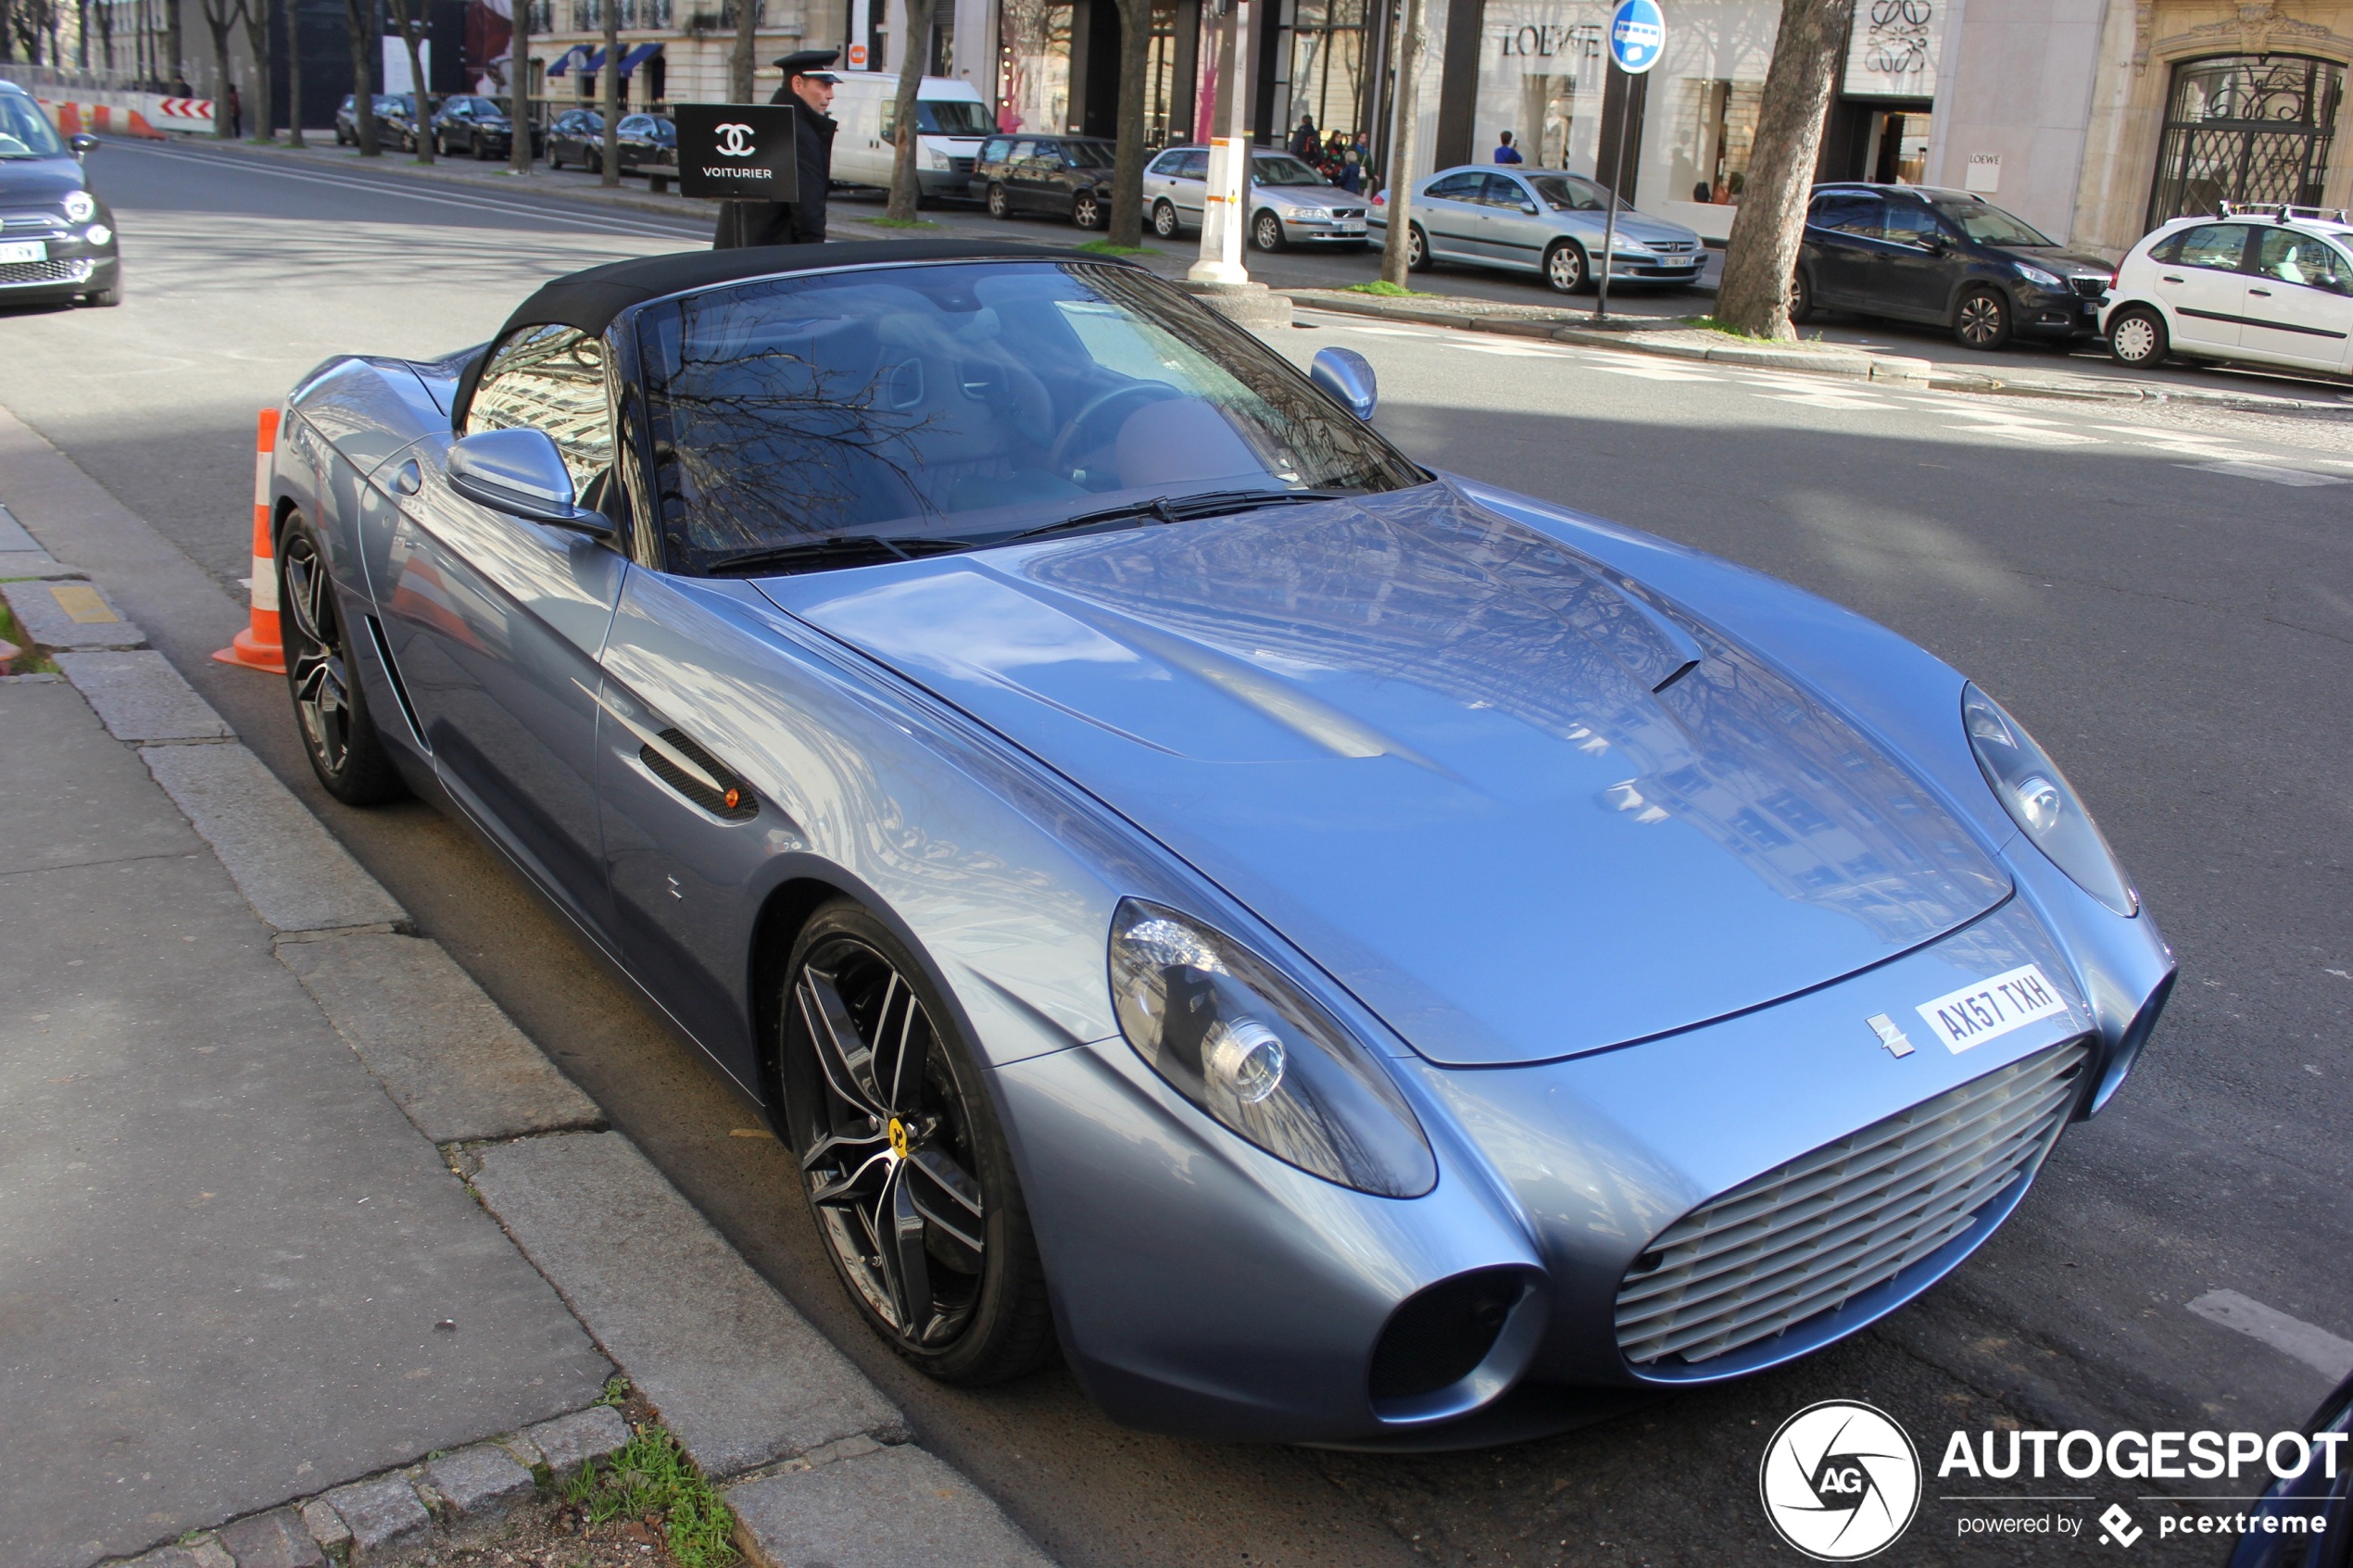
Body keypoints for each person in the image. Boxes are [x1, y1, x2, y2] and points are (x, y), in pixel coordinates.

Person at [713, 48, 840, 248]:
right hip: (774, 258)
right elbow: (808, 211)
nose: (830, 94)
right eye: (824, 85)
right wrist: (814, 257)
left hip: (740, 253)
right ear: (798, 84)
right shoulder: (797, 132)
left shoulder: (764, 123)